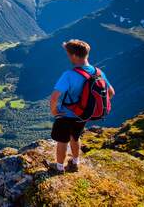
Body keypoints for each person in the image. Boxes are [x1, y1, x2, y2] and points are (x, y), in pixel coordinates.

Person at [48, 39, 115, 173]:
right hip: (83, 115)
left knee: (62, 140)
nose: (68, 57)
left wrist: (55, 112)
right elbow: (111, 93)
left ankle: (59, 168)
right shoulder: (98, 72)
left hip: (67, 114)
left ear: (73, 56)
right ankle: (75, 163)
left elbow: (54, 97)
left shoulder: (69, 74)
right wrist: (89, 106)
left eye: (68, 54)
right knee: (75, 137)